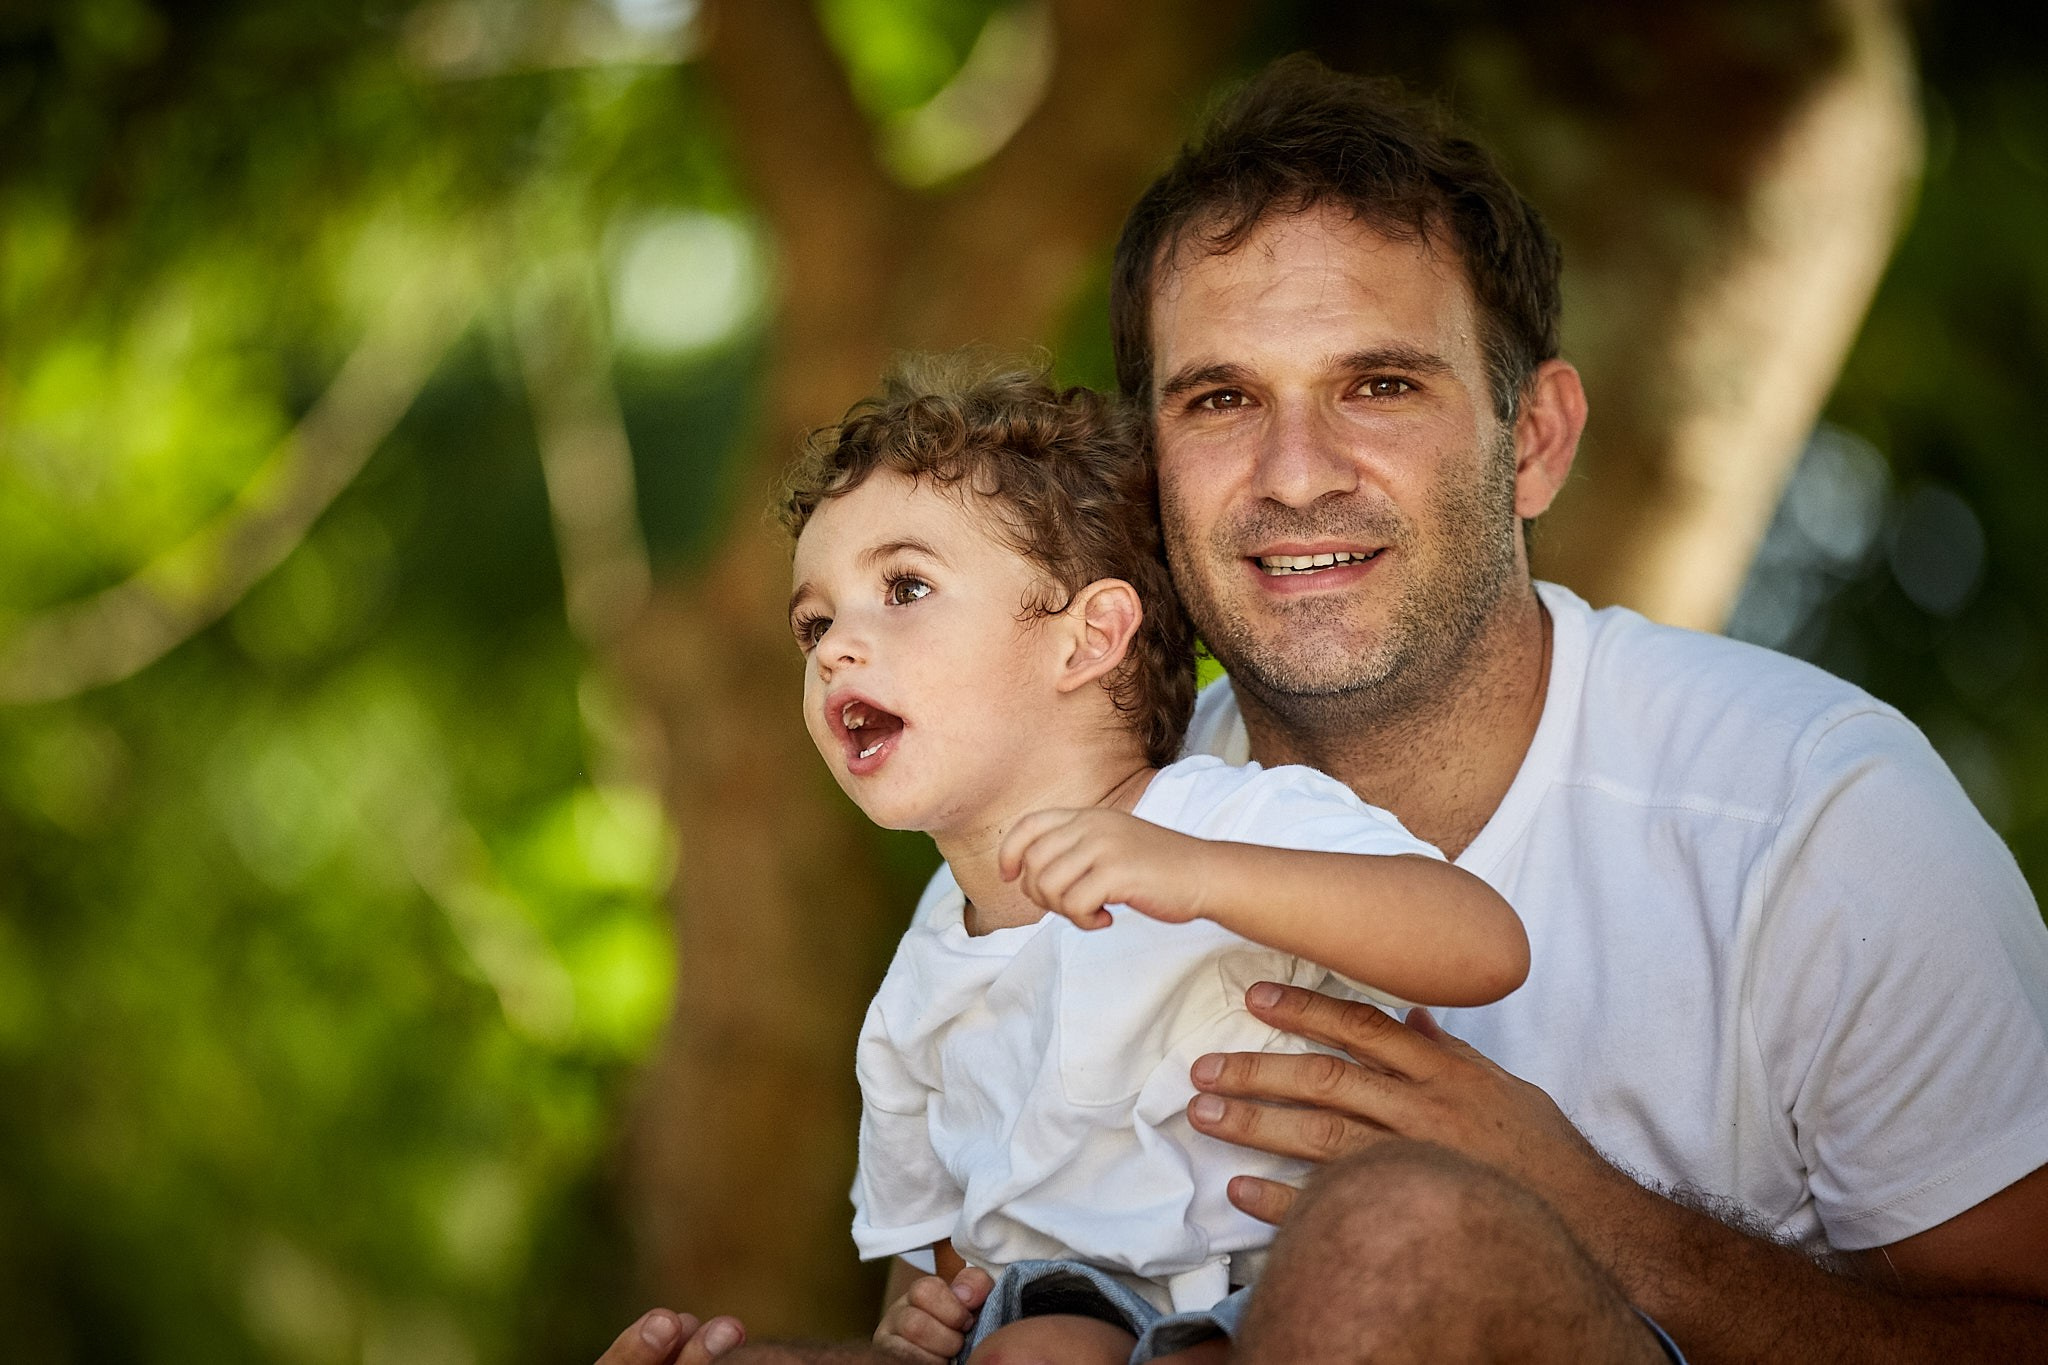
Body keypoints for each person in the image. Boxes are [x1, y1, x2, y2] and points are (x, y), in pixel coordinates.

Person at [596, 55, 2048, 1365]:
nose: (1296, 473)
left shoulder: (1808, 812)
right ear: (1146, 478)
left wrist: (1593, 1217)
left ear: (1532, 442)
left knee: (1396, 1243)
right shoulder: (1095, 802)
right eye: (1221, 400)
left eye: (1381, 384)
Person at [782, 360, 1529, 1364]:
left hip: (1314, 1300)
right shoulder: (921, 980)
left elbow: (1482, 945)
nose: (834, 648)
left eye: (903, 588)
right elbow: (927, 1270)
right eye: (814, 622)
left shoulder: (1224, 818)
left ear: (1088, 639)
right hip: (1055, 1324)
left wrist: (1198, 873)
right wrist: (917, 1318)